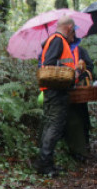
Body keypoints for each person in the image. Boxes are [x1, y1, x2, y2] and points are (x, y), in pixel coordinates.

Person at [34, 15, 76, 176]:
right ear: (69, 27)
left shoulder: (57, 40)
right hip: (56, 90)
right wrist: (67, 72)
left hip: (55, 89)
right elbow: (49, 64)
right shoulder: (58, 40)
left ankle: (46, 163)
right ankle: (44, 165)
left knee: (52, 125)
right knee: (54, 126)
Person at [64, 37, 94, 162]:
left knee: (82, 118)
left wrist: (80, 74)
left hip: (80, 92)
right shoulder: (60, 51)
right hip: (65, 91)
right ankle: (72, 148)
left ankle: (84, 146)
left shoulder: (80, 51)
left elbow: (90, 67)